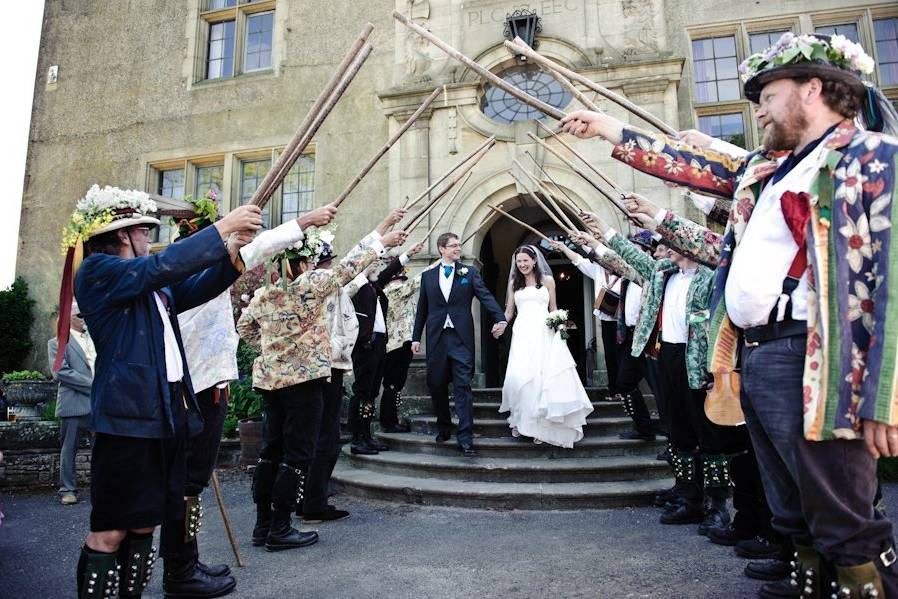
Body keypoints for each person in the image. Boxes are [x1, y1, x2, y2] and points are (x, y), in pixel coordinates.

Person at [561, 31, 898, 597]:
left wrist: (885, 396)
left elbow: (892, 278)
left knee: (843, 515)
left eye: (768, 94)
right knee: (789, 505)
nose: (758, 109)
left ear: (813, 89)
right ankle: (803, 585)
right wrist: (610, 129)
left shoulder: (871, 158)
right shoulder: (765, 171)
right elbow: (689, 166)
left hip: (819, 356)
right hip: (758, 352)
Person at [61, 184, 261, 599]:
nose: (151, 239)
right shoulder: (99, 272)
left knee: (143, 524)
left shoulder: (148, 284)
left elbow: (194, 285)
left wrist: (232, 252)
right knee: (110, 530)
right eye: (145, 231)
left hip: (164, 412)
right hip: (126, 418)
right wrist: (222, 227)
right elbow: (164, 266)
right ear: (122, 234)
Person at [166, 200, 337, 597]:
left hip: (221, 382)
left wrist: (269, 350)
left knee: (229, 469)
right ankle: (183, 569)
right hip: (198, 387)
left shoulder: (226, 284)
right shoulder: (186, 277)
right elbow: (256, 251)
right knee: (191, 483)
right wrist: (305, 221)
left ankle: (189, 560)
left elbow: (244, 322)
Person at [237, 215, 406, 552]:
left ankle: (263, 524)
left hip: (270, 382)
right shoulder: (311, 284)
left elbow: (245, 328)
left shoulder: (265, 293)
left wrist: (272, 351)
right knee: (297, 454)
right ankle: (281, 527)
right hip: (304, 381)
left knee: (270, 452)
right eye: (310, 261)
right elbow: (348, 269)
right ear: (302, 263)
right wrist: (381, 243)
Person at [411, 232, 507, 457]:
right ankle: (444, 425)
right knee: (436, 384)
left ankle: (465, 439)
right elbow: (422, 309)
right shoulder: (428, 276)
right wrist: (416, 337)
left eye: (459, 245)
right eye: (453, 246)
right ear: (441, 249)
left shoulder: (469, 273)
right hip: (436, 339)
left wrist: (500, 318)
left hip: (461, 339)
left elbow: (486, 297)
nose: (458, 249)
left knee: (463, 387)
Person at [499, 245, 593, 447]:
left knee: (540, 377)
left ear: (534, 261)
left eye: (526, 260)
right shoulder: (514, 284)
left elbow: (554, 309)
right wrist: (500, 325)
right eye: (519, 261)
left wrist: (562, 331)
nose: (522, 264)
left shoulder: (548, 281)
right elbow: (508, 312)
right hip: (522, 333)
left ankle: (539, 426)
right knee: (520, 377)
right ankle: (520, 420)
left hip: (543, 333)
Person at [345, 223, 416, 455]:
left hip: (378, 344)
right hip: (364, 345)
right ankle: (357, 438)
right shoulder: (356, 286)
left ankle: (367, 435)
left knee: (372, 392)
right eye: (373, 263)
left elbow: (387, 273)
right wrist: (366, 267)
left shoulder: (374, 286)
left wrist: (407, 255)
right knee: (362, 392)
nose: (378, 266)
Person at [47, 301, 94, 506]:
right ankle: (67, 489)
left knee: (102, 449)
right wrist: (94, 384)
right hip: (73, 402)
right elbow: (60, 372)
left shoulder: (93, 339)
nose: (85, 318)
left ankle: (102, 488)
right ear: (69, 319)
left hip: (97, 403)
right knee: (69, 449)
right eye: (81, 315)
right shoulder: (57, 342)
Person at [377, 243, 426, 435]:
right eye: (400, 278)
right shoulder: (392, 291)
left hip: (403, 343)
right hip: (393, 345)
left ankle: (392, 418)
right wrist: (439, 263)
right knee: (392, 384)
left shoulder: (400, 290)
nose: (403, 281)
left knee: (397, 384)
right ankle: (388, 422)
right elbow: (418, 282)